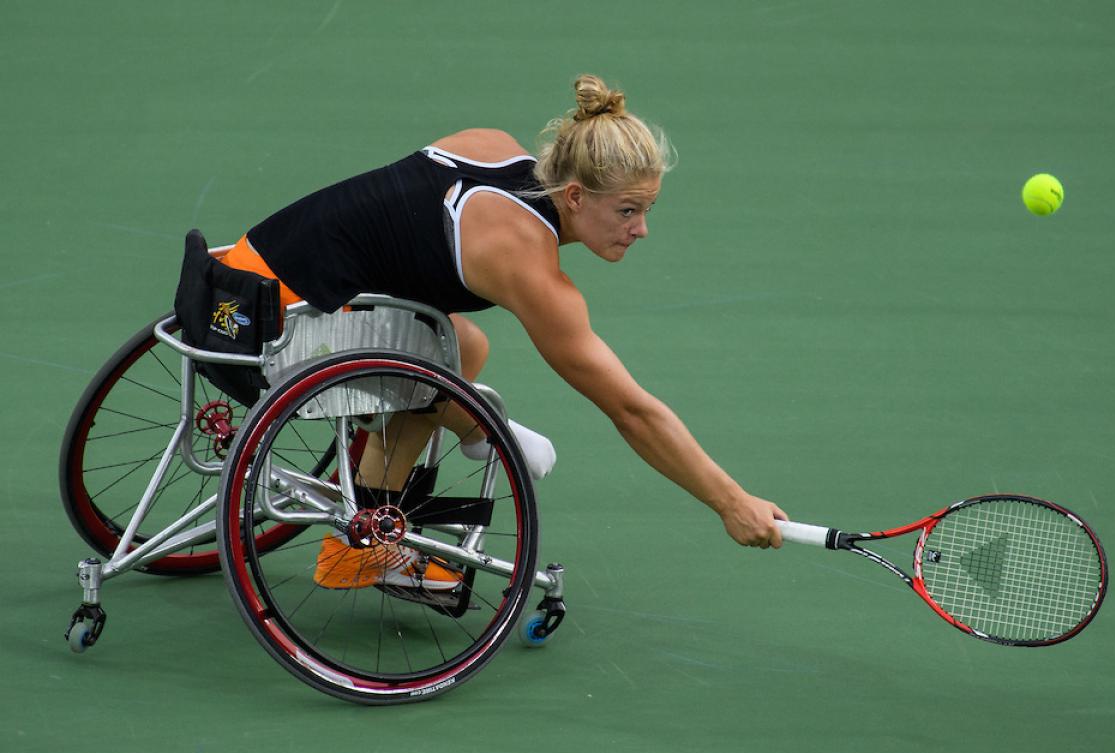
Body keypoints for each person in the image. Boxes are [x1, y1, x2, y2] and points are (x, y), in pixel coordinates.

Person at [219, 74, 788, 589]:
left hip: (232, 290)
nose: (641, 230)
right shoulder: (526, 264)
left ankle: (470, 436)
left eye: (648, 210)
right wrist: (730, 502)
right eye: (626, 211)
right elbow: (632, 411)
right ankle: (362, 545)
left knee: (464, 344)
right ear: (574, 196)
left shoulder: (487, 146)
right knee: (441, 357)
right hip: (273, 340)